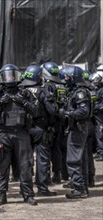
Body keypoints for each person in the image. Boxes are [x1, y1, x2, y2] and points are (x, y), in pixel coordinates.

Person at [0, 64, 39, 206]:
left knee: (26, 165)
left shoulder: (25, 93)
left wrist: (23, 102)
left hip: (21, 133)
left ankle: (28, 194)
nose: (10, 78)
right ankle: (1, 195)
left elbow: (35, 112)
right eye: (8, 75)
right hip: (3, 134)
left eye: (13, 75)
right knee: (2, 166)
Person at [20, 65, 58, 196]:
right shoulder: (43, 90)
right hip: (41, 128)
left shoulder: (21, 90)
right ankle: (42, 188)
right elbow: (52, 110)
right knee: (42, 159)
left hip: (24, 129)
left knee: (25, 159)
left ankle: (25, 188)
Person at [59, 66, 91, 199]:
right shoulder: (75, 91)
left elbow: (84, 111)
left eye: (67, 77)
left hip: (78, 128)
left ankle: (79, 188)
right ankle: (82, 186)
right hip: (77, 128)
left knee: (73, 160)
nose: (65, 79)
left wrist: (67, 113)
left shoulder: (80, 92)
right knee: (80, 159)